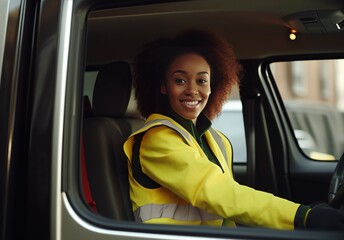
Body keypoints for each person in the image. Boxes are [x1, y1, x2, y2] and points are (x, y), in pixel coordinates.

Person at [123, 30, 344, 230]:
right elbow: (219, 193)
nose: (192, 90)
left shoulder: (215, 139)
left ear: (213, 86)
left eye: (202, 80)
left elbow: (225, 212)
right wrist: (302, 216)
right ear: (163, 87)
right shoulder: (156, 139)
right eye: (180, 80)